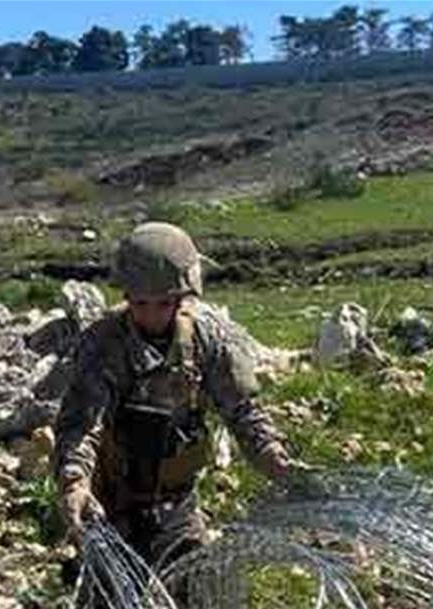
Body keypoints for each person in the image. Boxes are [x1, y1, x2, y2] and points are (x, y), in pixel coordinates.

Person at [53, 221, 294, 571]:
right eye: (140, 303)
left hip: (177, 502)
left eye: (163, 303)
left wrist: (272, 455)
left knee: (196, 596)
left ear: (183, 296)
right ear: (125, 297)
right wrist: (74, 483)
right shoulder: (104, 345)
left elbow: (242, 410)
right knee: (107, 607)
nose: (150, 315)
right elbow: (81, 426)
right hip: (112, 503)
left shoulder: (207, 338)